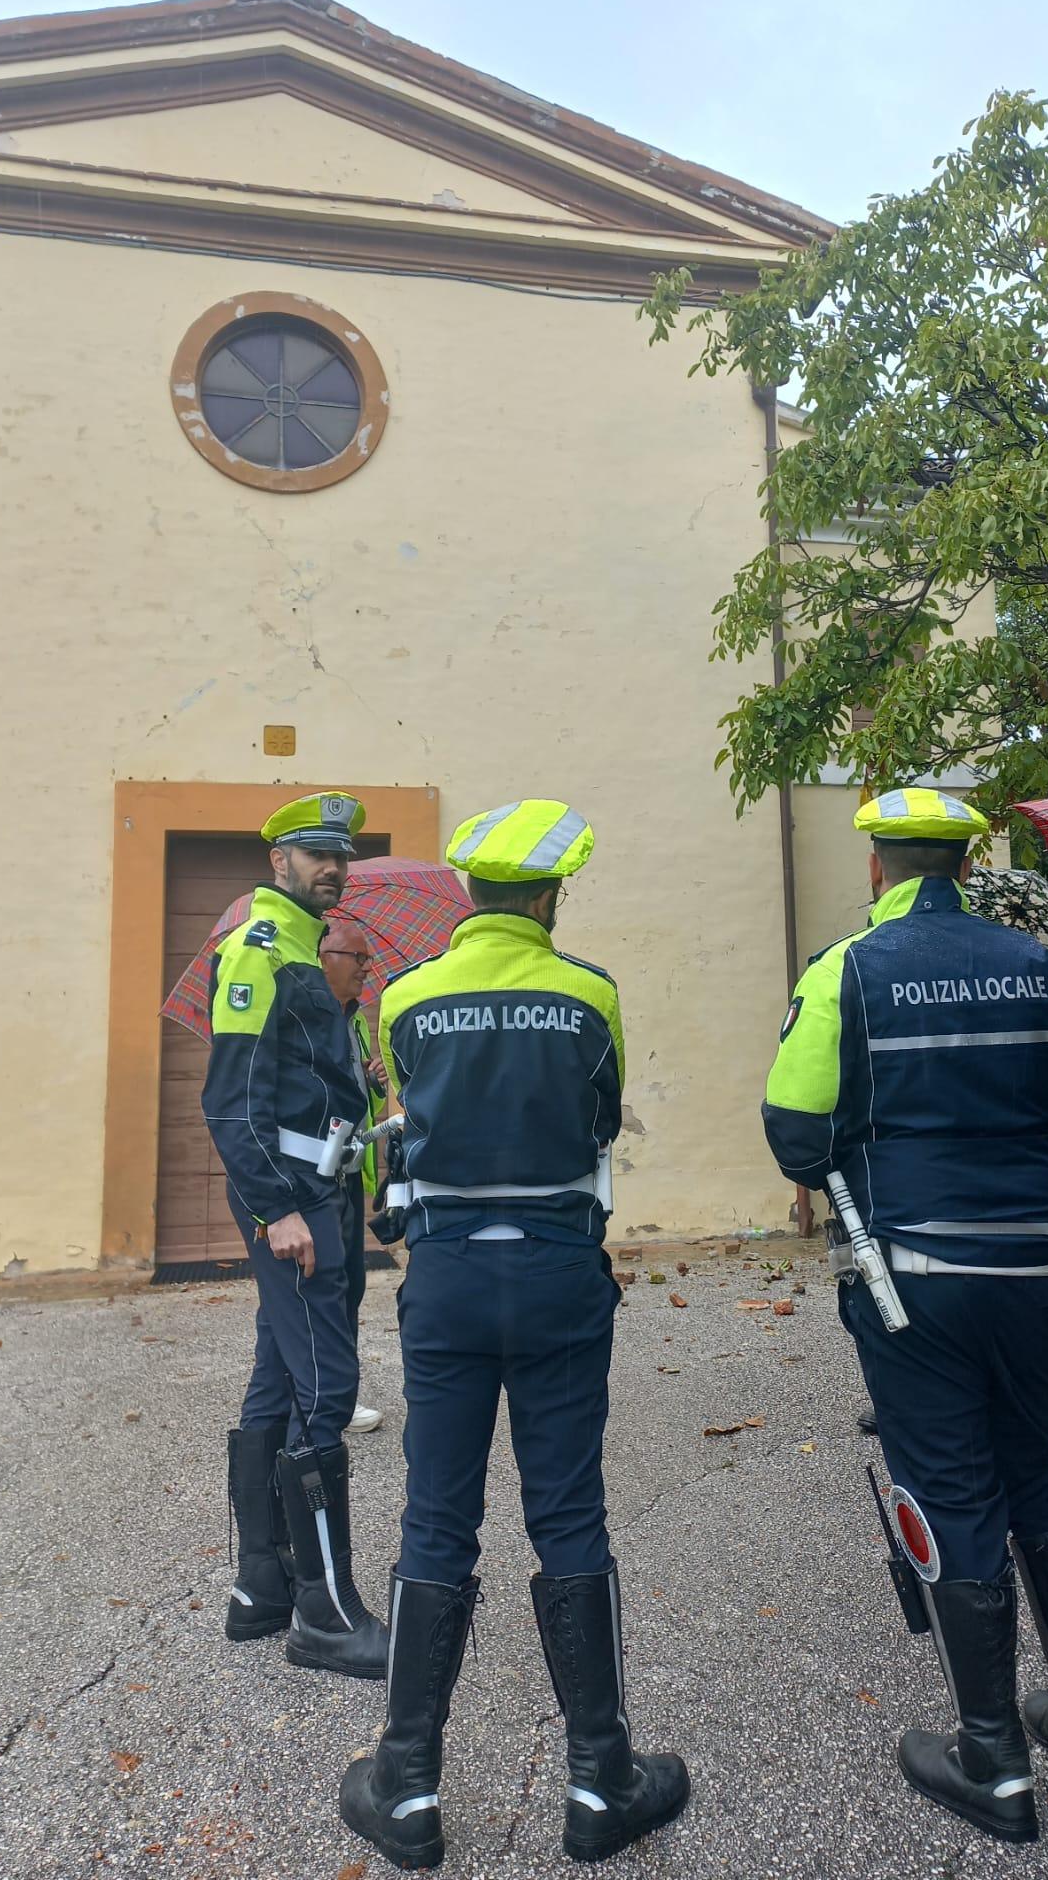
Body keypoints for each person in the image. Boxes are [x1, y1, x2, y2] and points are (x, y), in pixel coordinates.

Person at [761, 788, 1048, 1846]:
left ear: (877, 865)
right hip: (1032, 1266)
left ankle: (993, 1756)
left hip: (910, 1272)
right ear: (964, 864)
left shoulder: (846, 969)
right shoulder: (1045, 966)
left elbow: (794, 1130)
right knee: (1034, 1461)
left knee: (949, 1481)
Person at [340, 800, 689, 1871]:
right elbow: (601, 1114)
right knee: (568, 1511)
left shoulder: (405, 993)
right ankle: (600, 1778)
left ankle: (406, 1781)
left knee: (435, 1518)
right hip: (555, 1272)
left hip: (445, 1276)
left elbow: (395, 1126)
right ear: (546, 896)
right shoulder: (589, 993)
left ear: (468, 895)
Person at [202, 791, 388, 1679]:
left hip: (323, 1190)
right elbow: (231, 1103)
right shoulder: (260, 952)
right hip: (295, 1201)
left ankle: (260, 1590)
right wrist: (278, 1209)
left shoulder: (312, 956)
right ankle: (327, 1613)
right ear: (277, 861)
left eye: (340, 854)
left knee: (278, 1376)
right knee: (327, 1385)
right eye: (315, 854)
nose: (334, 868)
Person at [318, 918, 387, 1434]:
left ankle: (339, 1393)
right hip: (314, 1178)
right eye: (357, 957)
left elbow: (356, 1096)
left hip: (346, 1175)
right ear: (324, 957)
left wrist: (371, 1082)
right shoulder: (304, 1019)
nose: (368, 967)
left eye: (367, 958)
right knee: (323, 1290)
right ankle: (325, 1400)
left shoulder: (356, 1019)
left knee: (350, 1288)